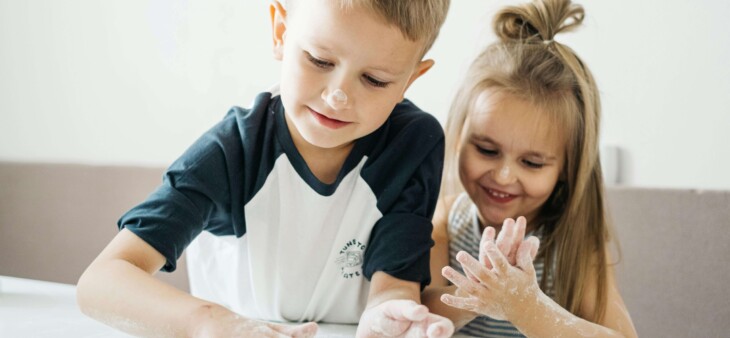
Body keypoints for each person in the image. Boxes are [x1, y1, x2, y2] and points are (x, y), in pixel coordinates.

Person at [76, 0, 455, 337]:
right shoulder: (232, 151)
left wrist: (390, 314)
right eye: (320, 60)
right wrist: (207, 322)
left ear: (410, 79)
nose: (338, 95)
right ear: (280, 31)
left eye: (375, 80)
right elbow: (101, 281)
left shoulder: (414, 143)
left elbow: (394, 283)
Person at [421, 0, 639, 336]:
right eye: (486, 149)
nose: (504, 176)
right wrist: (477, 291)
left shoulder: (574, 242)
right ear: (458, 137)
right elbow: (420, 311)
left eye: (532, 162)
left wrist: (524, 305)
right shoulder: (446, 222)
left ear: (567, 167)